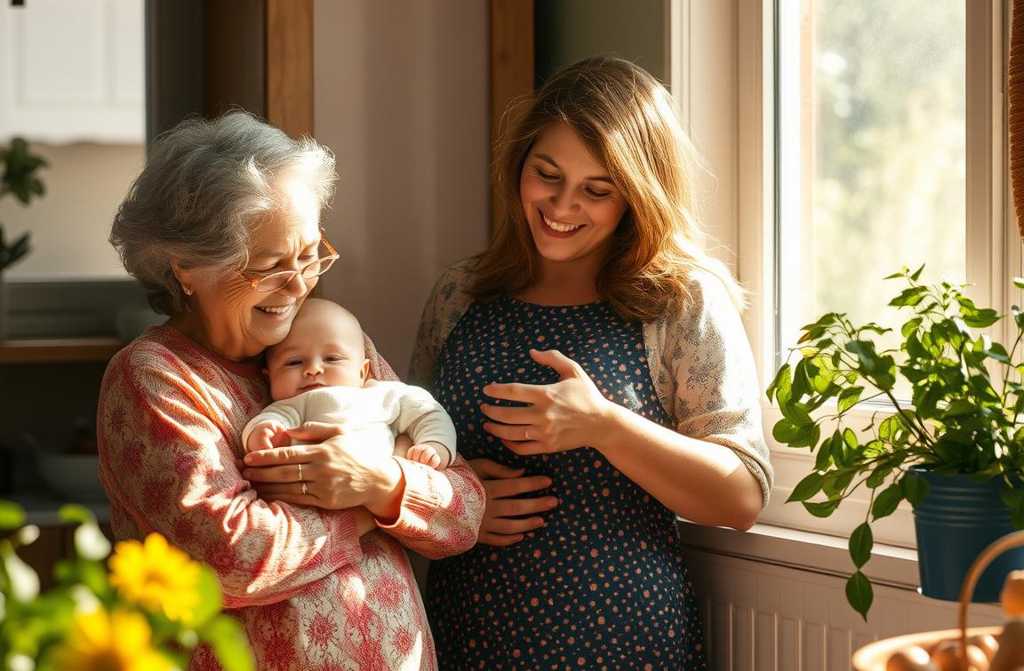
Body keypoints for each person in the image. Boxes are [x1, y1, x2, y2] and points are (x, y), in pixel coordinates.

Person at [411, 57, 773, 669]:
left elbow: (741, 495)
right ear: (517, 168)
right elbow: (403, 442)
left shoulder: (682, 299)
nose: (561, 204)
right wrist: (455, 496)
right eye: (546, 174)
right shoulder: (461, 293)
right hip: (466, 627)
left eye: (597, 190)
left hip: (621, 638)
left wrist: (604, 425)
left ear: (637, 195)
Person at [98, 111, 484, 671]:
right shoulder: (154, 378)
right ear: (186, 267)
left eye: (309, 255)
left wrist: (381, 480)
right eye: (272, 265)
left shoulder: (330, 341)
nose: (299, 283)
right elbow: (232, 558)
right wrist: (368, 505)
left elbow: (464, 509)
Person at [244, 298, 456, 470]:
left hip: (378, 486)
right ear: (269, 376)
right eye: (294, 362)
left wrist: (435, 445)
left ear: (363, 371)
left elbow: (429, 412)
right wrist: (262, 434)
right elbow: (266, 422)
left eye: (332, 359)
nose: (313, 369)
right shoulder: (289, 407)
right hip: (310, 491)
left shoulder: (382, 395)